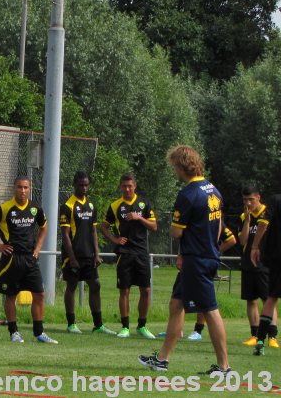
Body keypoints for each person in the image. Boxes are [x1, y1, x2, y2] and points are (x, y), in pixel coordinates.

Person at [139, 145, 230, 373]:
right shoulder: (213, 190)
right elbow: (218, 226)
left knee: (210, 309)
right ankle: (162, 359)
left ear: (181, 166)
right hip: (205, 255)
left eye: (174, 167)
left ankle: (225, 367)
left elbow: (176, 232)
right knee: (176, 304)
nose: (174, 171)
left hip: (197, 260)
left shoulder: (188, 194)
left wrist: (188, 246)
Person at [0, 177, 57, 344]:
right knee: (10, 296)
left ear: (30, 189)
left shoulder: (35, 208)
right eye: (19, 187)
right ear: (14, 188)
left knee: (39, 294)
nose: (22, 191)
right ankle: (14, 332)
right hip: (11, 258)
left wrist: (37, 248)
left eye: (25, 188)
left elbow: (44, 226)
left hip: (30, 258)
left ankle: (39, 333)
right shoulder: (4, 208)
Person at [100, 173, 158, 339]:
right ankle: (125, 327)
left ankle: (142, 325)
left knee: (145, 290)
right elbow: (104, 227)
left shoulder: (144, 203)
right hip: (124, 253)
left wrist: (139, 217)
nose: (127, 189)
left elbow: (154, 226)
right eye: (124, 186)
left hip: (141, 252)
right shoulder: (115, 205)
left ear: (135, 185)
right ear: (121, 187)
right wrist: (115, 239)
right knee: (124, 290)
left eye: (129, 186)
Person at [60, 171, 116, 335]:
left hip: (89, 255)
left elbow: (93, 232)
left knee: (95, 285)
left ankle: (98, 325)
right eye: (80, 185)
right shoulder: (68, 206)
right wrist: (72, 258)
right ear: (74, 185)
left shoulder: (91, 206)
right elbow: (64, 235)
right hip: (73, 256)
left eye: (86, 185)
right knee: (71, 286)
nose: (84, 188)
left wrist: (97, 254)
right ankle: (71, 324)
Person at [237, 185, 278, 348]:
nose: (248, 203)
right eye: (245, 200)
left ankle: (272, 336)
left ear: (258, 198)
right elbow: (242, 241)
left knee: (268, 299)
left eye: (251, 200)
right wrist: (247, 221)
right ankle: (254, 334)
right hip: (248, 263)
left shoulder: (269, 213)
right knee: (250, 300)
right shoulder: (243, 216)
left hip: (265, 264)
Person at [181, 227, 237, 341]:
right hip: (190, 263)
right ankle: (177, 330)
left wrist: (215, 251)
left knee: (204, 300)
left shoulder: (214, 220)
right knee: (177, 299)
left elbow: (231, 240)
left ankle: (198, 330)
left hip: (203, 264)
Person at [250, 192, 281, 355]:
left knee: (271, 299)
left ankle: (260, 341)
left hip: (276, 257)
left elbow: (263, 224)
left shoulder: (276, 200)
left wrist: (255, 247)